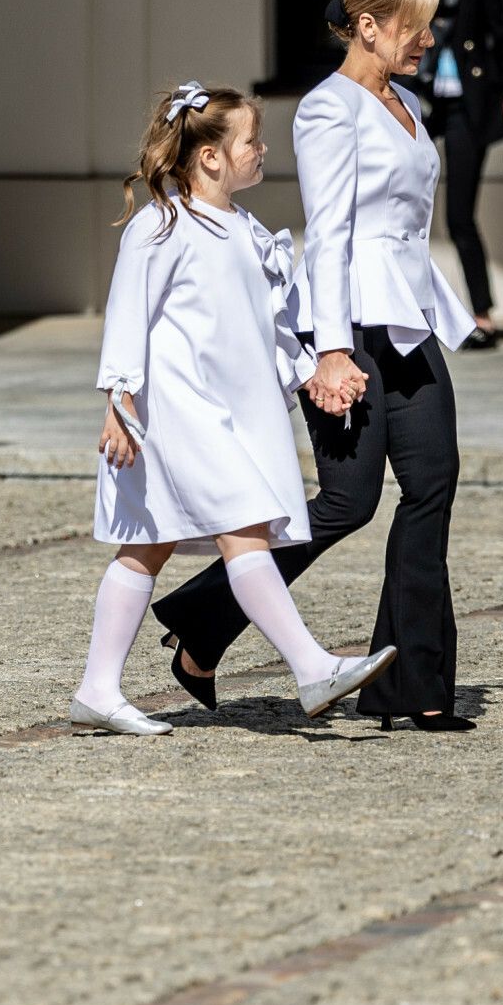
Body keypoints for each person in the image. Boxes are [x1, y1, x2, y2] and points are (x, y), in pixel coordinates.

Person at [151, 0, 478, 732]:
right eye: (413, 26)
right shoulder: (329, 108)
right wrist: (331, 350)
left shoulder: (405, 101)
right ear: (367, 26)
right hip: (347, 323)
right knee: (346, 502)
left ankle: (415, 686)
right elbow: (329, 235)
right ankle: (203, 619)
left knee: (433, 482)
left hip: (407, 319)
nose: (427, 40)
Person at [70, 81, 396, 736]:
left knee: (147, 546)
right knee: (243, 527)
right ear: (211, 156)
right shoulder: (161, 225)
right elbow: (127, 315)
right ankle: (312, 668)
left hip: (227, 412)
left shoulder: (245, 230)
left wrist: (312, 375)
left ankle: (97, 690)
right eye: (252, 140)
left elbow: (266, 326)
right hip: (174, 412)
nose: (263, 149)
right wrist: (118, 401)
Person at [380, 0, 503, 348]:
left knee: (460, 214)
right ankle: (402, 311)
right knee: (402, 205)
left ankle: (481, 316)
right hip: (416, 99)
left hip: (467, 103)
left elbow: (502, 35)